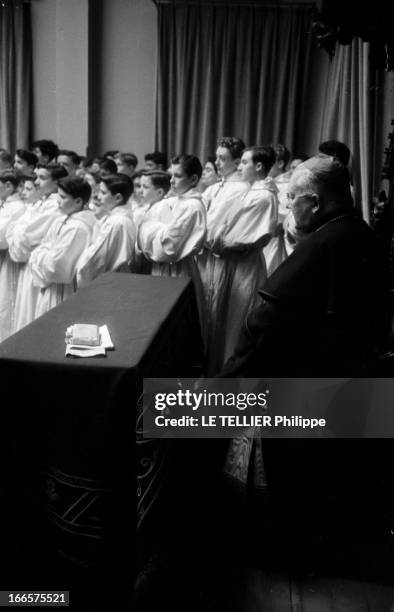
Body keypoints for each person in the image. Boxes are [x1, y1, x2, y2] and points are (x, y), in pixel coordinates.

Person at [220, 155, 388, 379]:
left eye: (291, 196)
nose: (288, 204)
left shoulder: (320, 245)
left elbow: (264, 326)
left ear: (316, 203)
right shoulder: (361, 231)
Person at [199, 144, 278, 374]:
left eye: (245, 162)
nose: (240, 167)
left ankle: (231, 377)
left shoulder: (262, 196)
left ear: (259, 166)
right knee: (225, 318)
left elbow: (237, 238)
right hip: (233, 264)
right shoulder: (252, 191)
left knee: (237, 319)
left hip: (243, 265)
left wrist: (211, 241)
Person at [138, 155, 206, 321]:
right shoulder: (172, 201)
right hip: (160, 269)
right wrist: (155, 231)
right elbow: (142, 231)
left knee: (175, 318)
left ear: (193, 179)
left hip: (177, 271)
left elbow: (169, 248)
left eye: (178, 176)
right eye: (171, 175)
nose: (171, 181)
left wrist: (153, 230)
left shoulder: (192, 206)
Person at [8, 164, 68, 332]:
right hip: (29, 261)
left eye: (42, 178)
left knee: (32, 312)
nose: (36, 182)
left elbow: (26, 234)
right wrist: (18, 233)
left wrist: (18, 233)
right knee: (23, 308)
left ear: (56, 182)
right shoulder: (39, 202)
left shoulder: (55, 204)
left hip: (36, 263)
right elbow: (16, 230)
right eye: (36, 177)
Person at [30, 177, 95, 318]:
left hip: (62, 291)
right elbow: (43, 246)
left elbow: (56, 267)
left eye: (63, 197)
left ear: (78, 201)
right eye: (58, 195)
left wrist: (40, 255)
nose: (57, 200)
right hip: (53, 288)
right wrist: (44, 252)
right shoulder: (64, 219)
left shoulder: (78, 228)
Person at [76, 174, 136, 287]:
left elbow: (96, 259)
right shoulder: (116, 218)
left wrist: (78, 264)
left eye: (103, 193)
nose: (98, 196)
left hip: (110, 283)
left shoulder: (116, 222)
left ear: (118, 198)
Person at [0, 172, 26, 341]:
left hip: (9, 258)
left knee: (7, 304)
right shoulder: (6, 204)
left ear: (9, 186)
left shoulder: (17, 207)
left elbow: (2, 238)